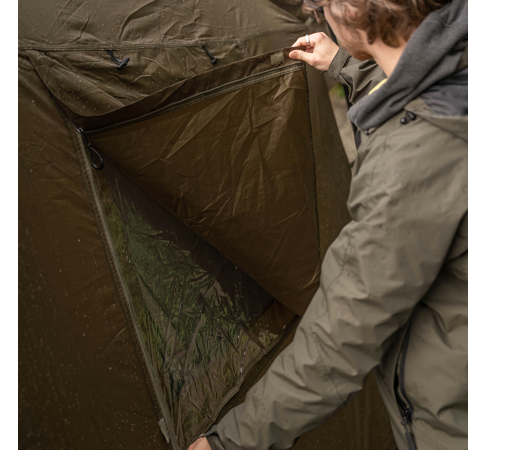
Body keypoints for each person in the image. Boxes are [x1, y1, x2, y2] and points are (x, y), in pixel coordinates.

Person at [189, 0, 468, 449]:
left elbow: (344, 334)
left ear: (353, 11)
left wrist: (228, 443)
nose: (319, 16)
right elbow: (418, 85)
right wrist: (346, 64)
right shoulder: (456, 63)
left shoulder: (416, 154)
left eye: (319, 8)